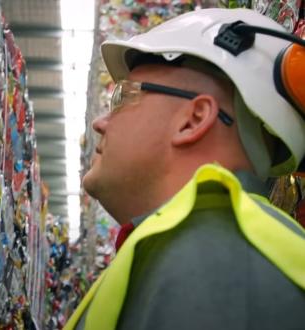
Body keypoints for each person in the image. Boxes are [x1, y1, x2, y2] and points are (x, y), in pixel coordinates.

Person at [64, 8, 305, 330]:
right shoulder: (196, 250)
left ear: (193, 120)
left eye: (122, 97)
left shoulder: (215, 267)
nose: (100, 122)